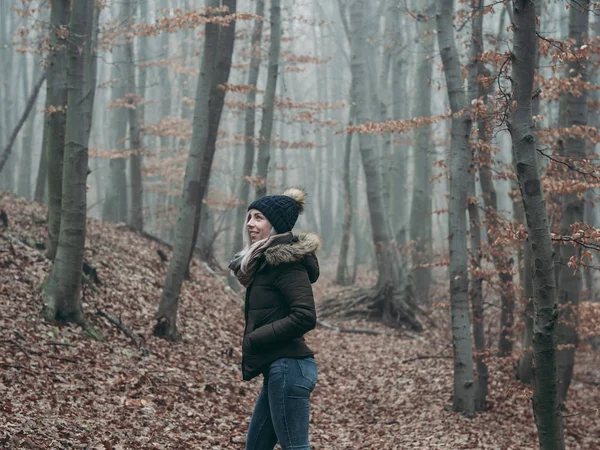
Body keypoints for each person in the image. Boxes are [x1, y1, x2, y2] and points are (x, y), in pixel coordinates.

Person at [229, 187, 320, 450]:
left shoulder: (286, 264)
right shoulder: (265, 263)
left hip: (289, 368)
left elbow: (305, 316)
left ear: (275, 225)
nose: (250, 224)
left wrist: (256, 338)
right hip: (278, 370)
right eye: (249, 217)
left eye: (258, 218)